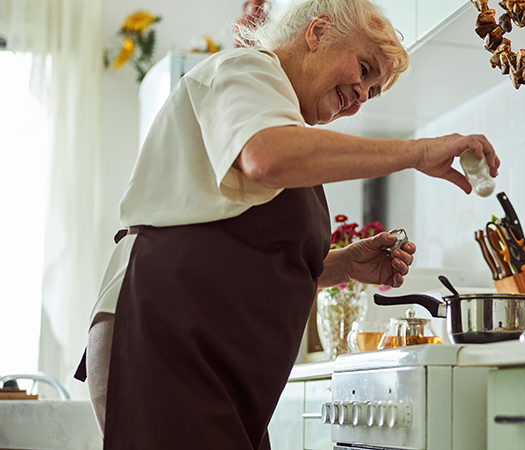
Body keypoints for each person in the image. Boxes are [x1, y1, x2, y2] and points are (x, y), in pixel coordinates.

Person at [75, 0, 500, 448]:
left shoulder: (282, 123)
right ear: (317, 32)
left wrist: (340, 266)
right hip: (164, 336)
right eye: (364, 68)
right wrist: (418, 152)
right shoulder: (246, 70)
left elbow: (246, 253)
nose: (360, 97)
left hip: (214, 355)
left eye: (372, 93)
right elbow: (267, 158)